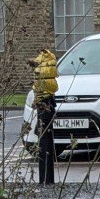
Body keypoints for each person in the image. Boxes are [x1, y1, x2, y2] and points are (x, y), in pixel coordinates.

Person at [30, 50, 58, 186]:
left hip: (44, 103)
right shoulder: (50, 70)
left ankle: (45, 179)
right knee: (46, 135)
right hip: (48, 102)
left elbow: (39, 84)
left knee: (43, 137)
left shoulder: (42, 70)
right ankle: (48, 179)